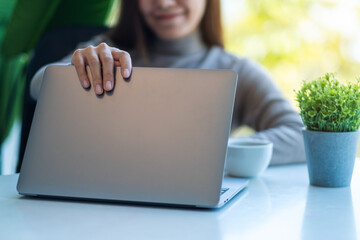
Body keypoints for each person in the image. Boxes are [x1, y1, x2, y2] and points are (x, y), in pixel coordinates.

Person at [30, 0, 305, 165]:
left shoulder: (236, 71)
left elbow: (299, 136)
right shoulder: (107, 53)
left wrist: (210, 154)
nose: (163, 3)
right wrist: (78, 67)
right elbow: (39, 85)